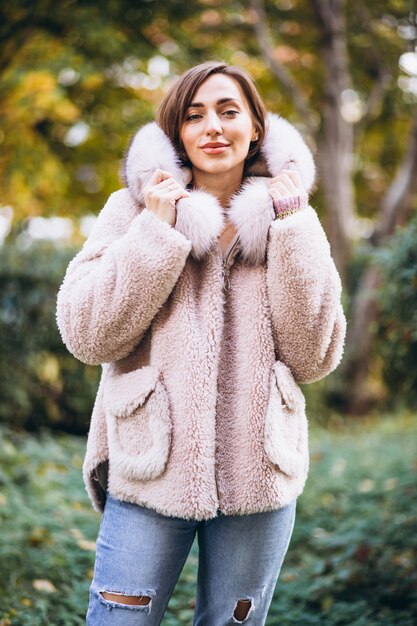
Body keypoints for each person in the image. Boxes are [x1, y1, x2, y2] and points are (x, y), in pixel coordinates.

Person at [56, 61, 346, 625]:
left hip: (258, 472)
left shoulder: (293, 218)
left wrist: (292, 229)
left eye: (228, 111)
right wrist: (157, 234)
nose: (212, 126)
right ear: (178, 135)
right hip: (150, 468)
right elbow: (87, 334)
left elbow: (314, 356)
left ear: (256, 128)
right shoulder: (133, 210)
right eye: (194, 116)